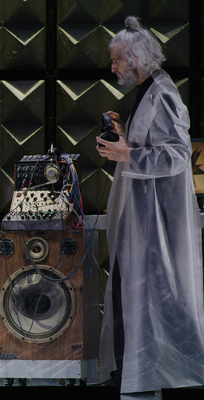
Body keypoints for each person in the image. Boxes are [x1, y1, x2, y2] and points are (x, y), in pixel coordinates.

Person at [96, 16, 204, 394]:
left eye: (117, 61)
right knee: (130, 297)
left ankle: (164, 375)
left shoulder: (164, 95)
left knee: (160, 300)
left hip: (157, 225)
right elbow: (149, 145)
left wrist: (127, 155)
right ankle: (130, 374)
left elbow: (176, 156)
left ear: (136, 60)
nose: (113, 68)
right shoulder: (146, 91)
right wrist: (124, 136)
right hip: (141, 222)